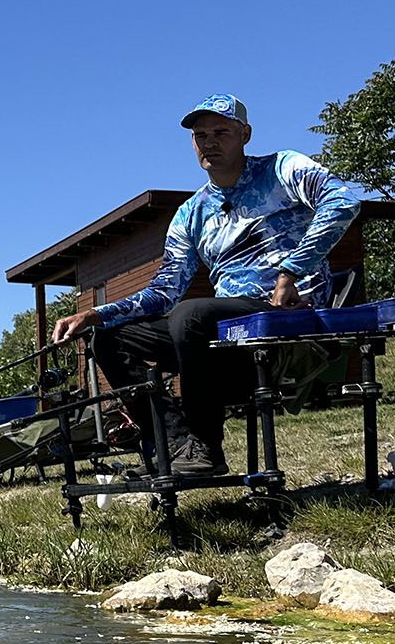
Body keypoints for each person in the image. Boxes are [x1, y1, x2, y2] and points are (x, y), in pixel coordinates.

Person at [49, 94, 361, 476]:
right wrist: (98, 313)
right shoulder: (191, 212)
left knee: (190, 314)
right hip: (225, 333)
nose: (209, 142)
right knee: (110, 338)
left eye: (221, 132)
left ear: (245, 134)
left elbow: (342, 201)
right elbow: (163, 291)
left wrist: (290, 273)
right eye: (200, 135)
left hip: (286, 317)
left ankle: (207, 448)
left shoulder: (282, 168)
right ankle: (175, 444)